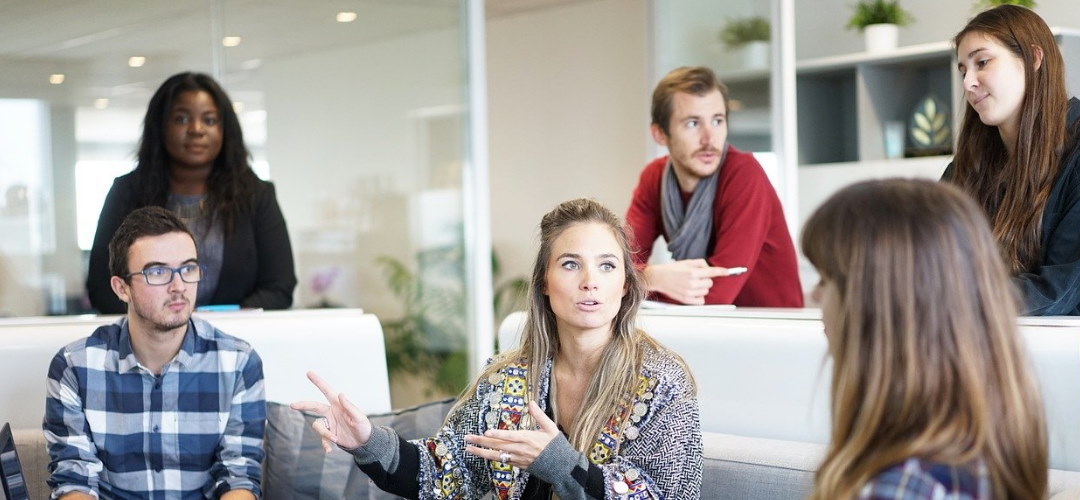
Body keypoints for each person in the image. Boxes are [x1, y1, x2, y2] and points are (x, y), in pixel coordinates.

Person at [292, 198, 702, 499]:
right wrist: (368, 441)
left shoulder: (662, 382)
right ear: (544, 281)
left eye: (607, 265)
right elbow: (448, 471)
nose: (590, 281)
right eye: (571, 264)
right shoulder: (507, 377)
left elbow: (659, 495)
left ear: (625, 284)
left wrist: (561, 464)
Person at [803, 179, 1048, 500]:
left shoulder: (900, 488)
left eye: (826, 278)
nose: (814, 295)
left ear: (878, 305)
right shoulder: (984, 451)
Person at [943, 5, 1080, 460]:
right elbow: (932, 261)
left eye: (982, 62)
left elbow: (1057, 291)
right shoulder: (967, 168)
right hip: (988, 372)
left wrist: (945, 298)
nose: (968, 83)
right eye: (962, 69)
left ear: (1034, 58)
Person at [45, 207, 265, 499]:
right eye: (157, 271)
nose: (179, 287)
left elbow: (239, 477)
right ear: (121, 288)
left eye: (188, 268)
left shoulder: (238, 363)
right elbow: (74, 481)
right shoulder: (74, 367)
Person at [86, 71, 296, 313]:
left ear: (225, 129)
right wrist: (164, 321)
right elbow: (102, 289)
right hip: (149, 344)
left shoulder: (257, 196)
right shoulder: (127, 193)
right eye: (182, 119)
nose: (197, 130)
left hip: (235, 341)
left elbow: (279, 287)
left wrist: (222, 326)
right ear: (160, 126)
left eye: (209, 120)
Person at [626, 66, 802, 307]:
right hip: (706, 328)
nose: (709, 139)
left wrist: (640, 281)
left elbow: (717, 294)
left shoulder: (744, 174)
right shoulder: (654, 178)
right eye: (692, 123)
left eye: (717, 121)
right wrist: (653, 276)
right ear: (660, 134)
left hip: (770, 330)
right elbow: (617, 267)